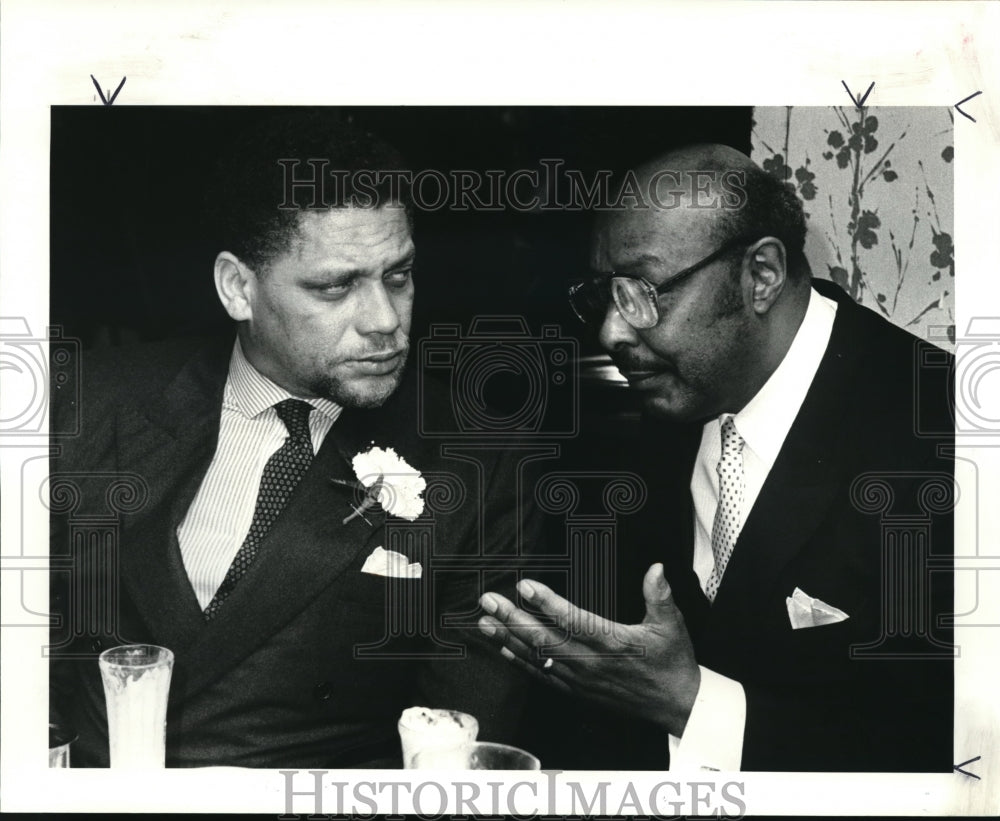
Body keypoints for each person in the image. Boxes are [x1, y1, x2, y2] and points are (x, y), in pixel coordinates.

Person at [48, 114, 538, 768]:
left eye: (398, 275)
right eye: (336, 286)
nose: (385, 320)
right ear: (238, 287)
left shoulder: (479, 459)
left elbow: (459, 749)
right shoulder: (92, 401)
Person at [478, 144, 954, 772]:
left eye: (645, 292)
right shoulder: (668, 405)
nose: (612, 333)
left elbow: (958, 762)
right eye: (605, 296)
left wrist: (692, 706)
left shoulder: (949, 439)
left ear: (760, 275)